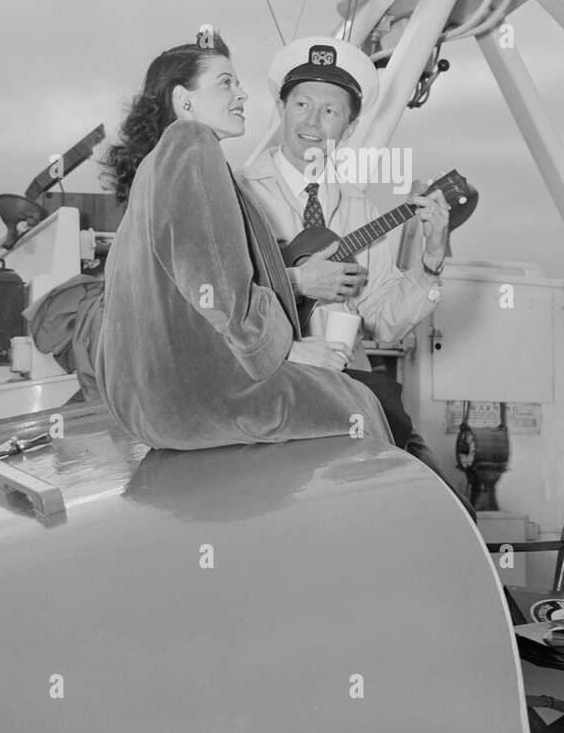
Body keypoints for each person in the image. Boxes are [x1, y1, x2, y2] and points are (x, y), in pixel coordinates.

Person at [95, 38, 393, 453]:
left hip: (148, 405)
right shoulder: (193, 144)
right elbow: (218, 286)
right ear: (184, 100)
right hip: (196, 400)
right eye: (225, 83)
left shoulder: (154, 165)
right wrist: (286, 351)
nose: (242, 93)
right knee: (361, 406)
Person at [239, 36, 467, 504]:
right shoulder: (237, 195)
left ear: (349, 125)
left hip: (349, 396)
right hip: (263, 390)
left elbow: (385, 319)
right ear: (280, 108)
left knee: (442, 504)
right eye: (301, 103)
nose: (311, 121)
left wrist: (432, 258)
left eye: (330, 111)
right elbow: (216, 299)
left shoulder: (361, 212)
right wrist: (296, 282)